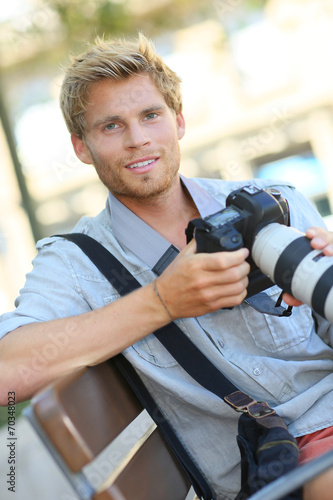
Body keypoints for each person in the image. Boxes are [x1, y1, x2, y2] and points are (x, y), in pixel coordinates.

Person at [1, 33, 333, 500]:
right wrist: (161, 301)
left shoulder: (276, 201)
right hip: (284, 460)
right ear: (80, 146)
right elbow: (6, 374)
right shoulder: (77, 261)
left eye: (150, 116)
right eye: (111, 126)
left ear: (178, 121)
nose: (138, 140)